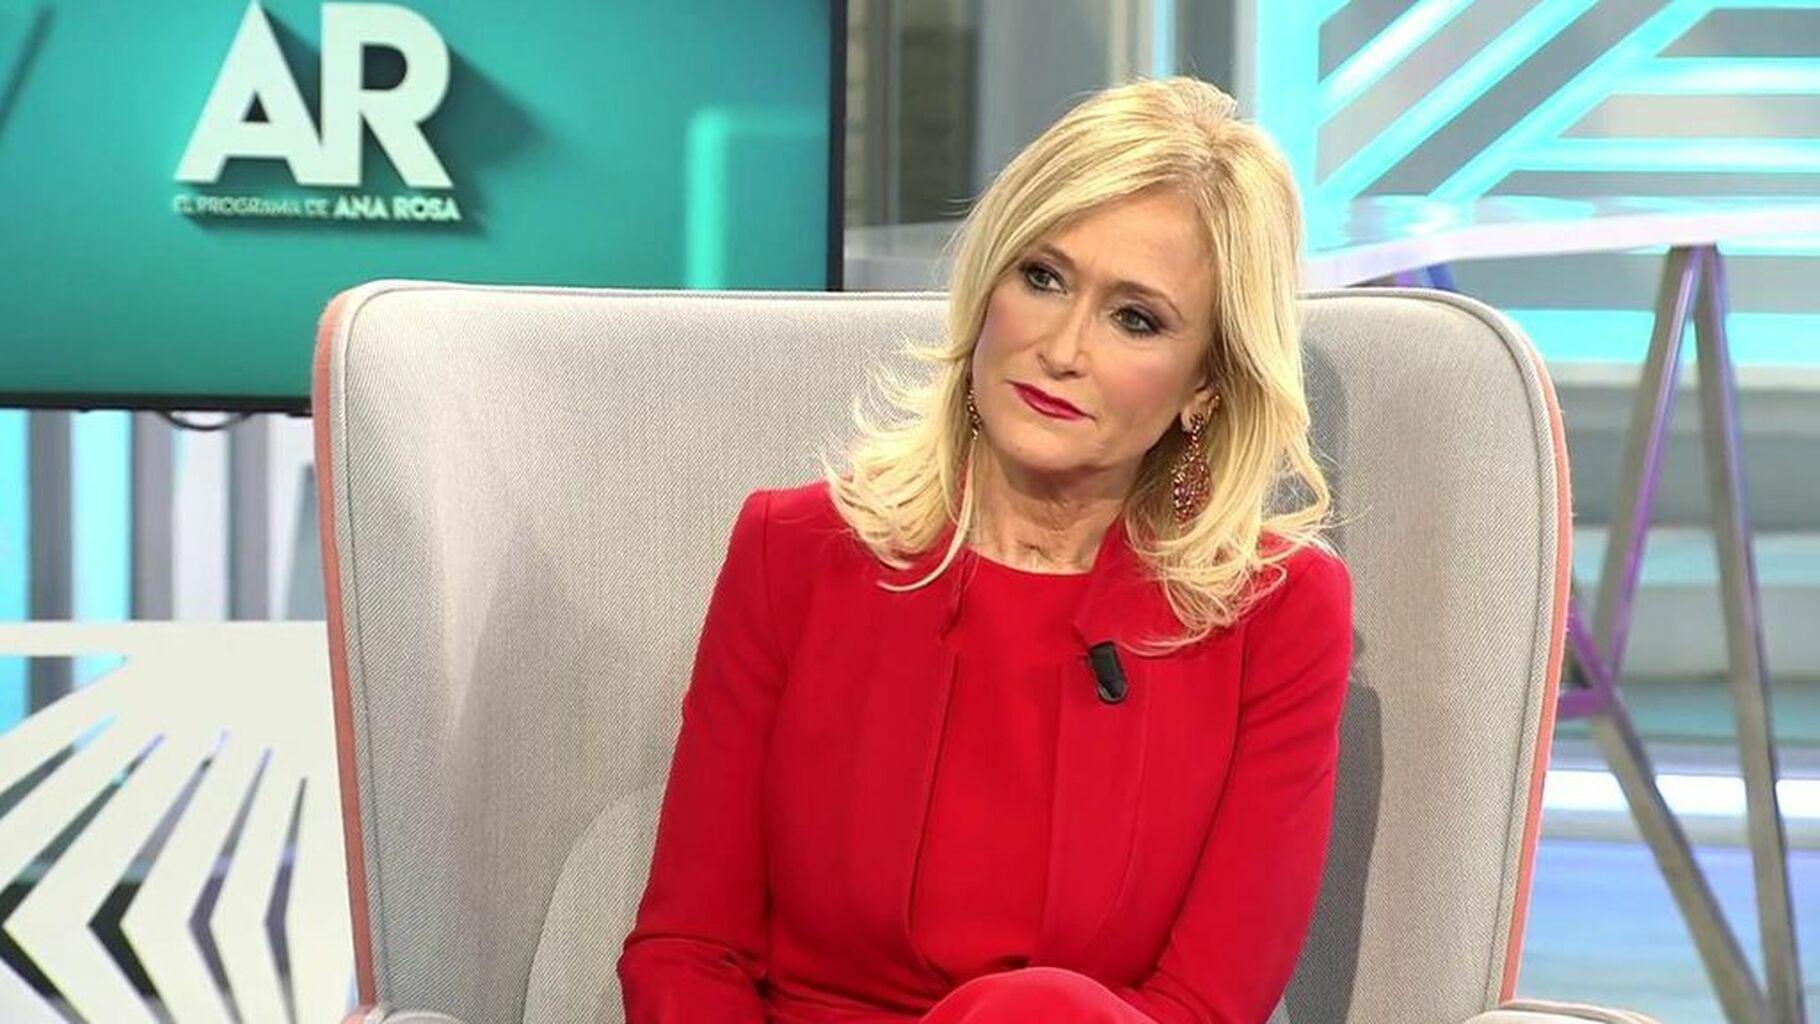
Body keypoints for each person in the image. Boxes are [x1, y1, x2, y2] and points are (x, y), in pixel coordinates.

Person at [616, 75, 1353, 1024]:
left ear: (1204, 384)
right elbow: (689, 948)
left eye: (1136, 318)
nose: (1062, 348)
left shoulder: (1276, 614)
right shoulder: (791, 552)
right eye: (1042, 277)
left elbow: (1205, 1005)